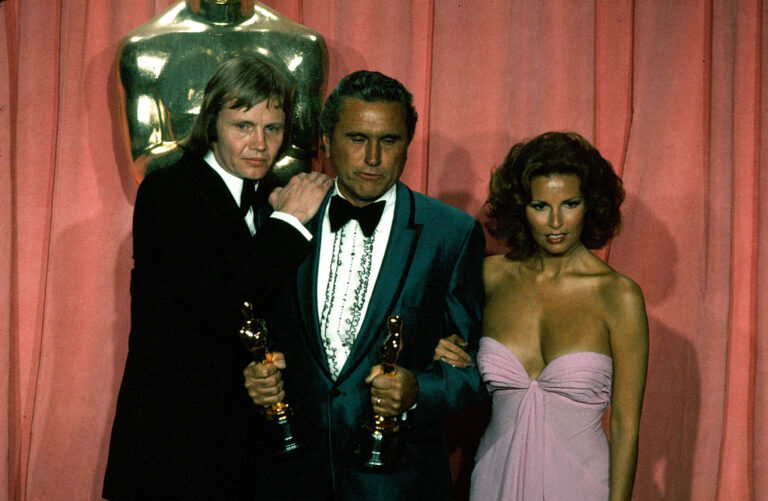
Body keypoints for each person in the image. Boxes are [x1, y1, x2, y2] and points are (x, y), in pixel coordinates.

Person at [243, 70, 486, 500]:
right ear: (326, 141)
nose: (372, 157)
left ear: (407, 145)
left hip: (398, 483)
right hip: (289, 477)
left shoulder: (451, 233)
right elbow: (243, 327)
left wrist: (418, 390)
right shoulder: (279, 216)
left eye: (388, 140)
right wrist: (254, 375)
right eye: (357, 138)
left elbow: (472, 370)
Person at [103, 55, 332, 499]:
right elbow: (222, 307)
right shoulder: (168, 193)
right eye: (243, 125)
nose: (259, 144)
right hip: (172, 451)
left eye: (272, 128)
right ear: (212, 124)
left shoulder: (271, 197)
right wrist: (287, 224)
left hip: (249, 454)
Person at [434, 131, 648, 500]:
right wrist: (437, 347)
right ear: (521, 207)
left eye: (570, 204)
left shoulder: (619, 296)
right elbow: (446, 354)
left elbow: (626, 425)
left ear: (590, 205)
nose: (556, 222)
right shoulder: (490, 278)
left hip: (583, 485)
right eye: (540, 206)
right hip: (493, 479)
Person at [115, 0, 328, 184]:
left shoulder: (301, 47)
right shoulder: (145, 49)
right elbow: (147, 166)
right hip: (182, 212)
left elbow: (304, 162)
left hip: (273, 211)